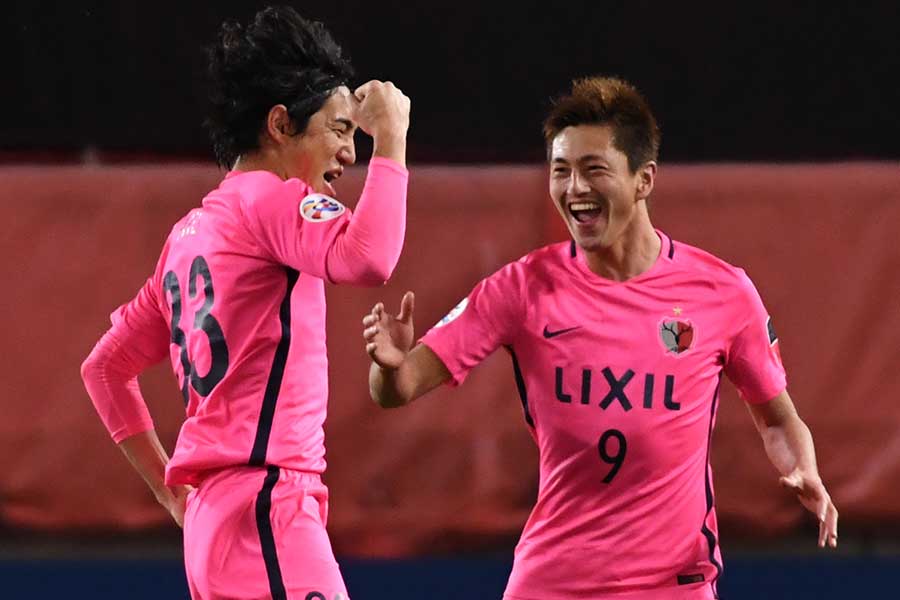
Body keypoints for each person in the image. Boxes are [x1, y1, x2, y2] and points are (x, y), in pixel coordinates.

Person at [362, 76, 837, 599]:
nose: (575, 189)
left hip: (673, 584)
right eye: (560, 170)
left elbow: (777, 418)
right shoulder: (521, 289)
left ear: (643, 179)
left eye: (593, 170)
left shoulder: (723, 292)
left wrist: (803, 467)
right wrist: (389, 364)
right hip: (553, 584)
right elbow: (397, 390)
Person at [81, 6, 410, 599]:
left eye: (356, 135)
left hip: (218, 519)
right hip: (266, 509)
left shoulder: (190, 236)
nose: (349, 151)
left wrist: (171, 493)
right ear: (280, 124)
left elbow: (104, 368)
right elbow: (370, 258)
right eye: (339, 129)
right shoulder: (270, 200)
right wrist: (392, 137)